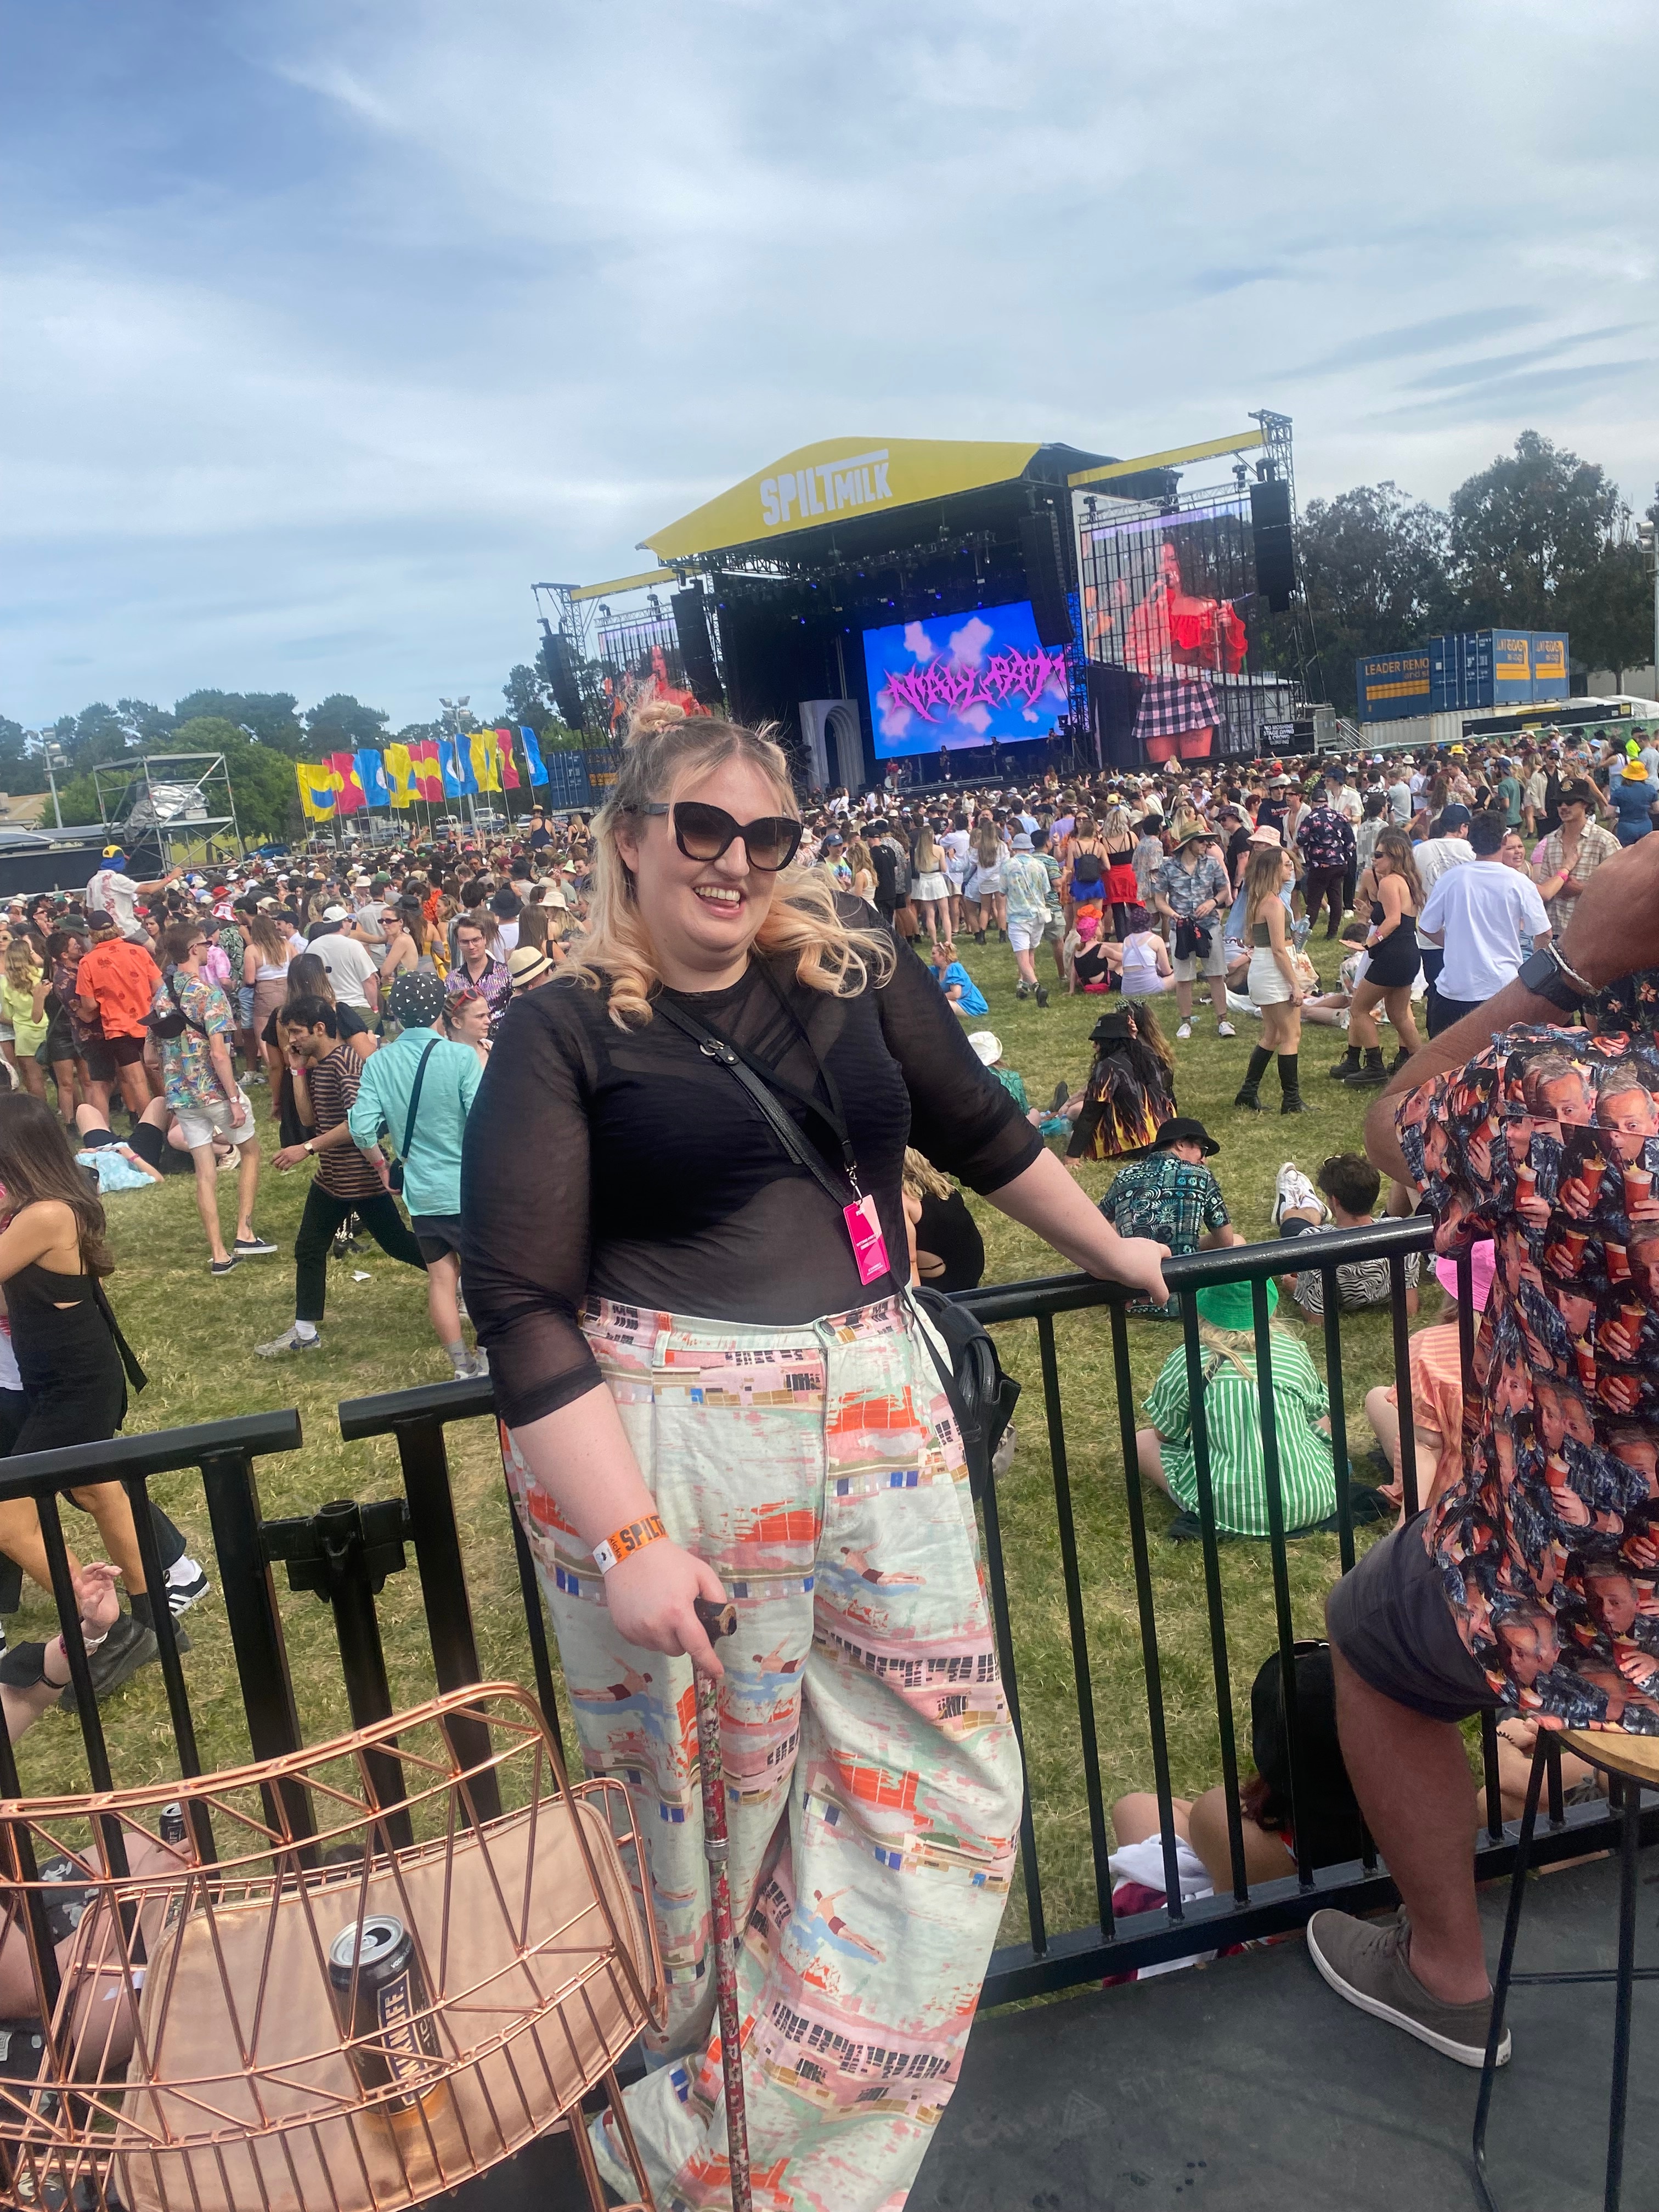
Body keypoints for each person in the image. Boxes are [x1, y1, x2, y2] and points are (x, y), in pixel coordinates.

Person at [460, 699, 1168, 2209]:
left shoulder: (847, 964)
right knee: (709, 1819)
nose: (732, 864)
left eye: (764, 835)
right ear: (632, 841)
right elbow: (520, 1302)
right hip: (675, 1433)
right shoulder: (566, 1023)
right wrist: (634, 1538)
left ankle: (682, 2155)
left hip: (883, 1406)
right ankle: (706, 2154)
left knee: (952, 1802)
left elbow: (977, 1124)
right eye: (700, 831)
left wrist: (1110, 1244)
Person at [1305, 835, 1659, 2069]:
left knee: (1368, 1637)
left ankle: (1445, 1973)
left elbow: (1392, 1119)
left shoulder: (1574, 1096)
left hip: (1592, 1585)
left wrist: (1567, 966)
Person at [0, 1095, 161, 1699]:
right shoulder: (51, 1206)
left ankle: (107, 1627)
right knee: (96, 1489)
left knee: (9, 1519)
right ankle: (151, 1621)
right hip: (73, 1379)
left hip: (73, 1386)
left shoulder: (43, 1215)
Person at [256, 997, 427, 1358]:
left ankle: (461, 1277)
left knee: (398, 1243)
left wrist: (308, 1148)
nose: (291, 1041)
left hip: (358, 1179)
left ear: (320, 1029)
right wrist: (297, 1070)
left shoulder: (345, 1065)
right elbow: (307, 1120)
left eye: (297, 1033)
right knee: (310, 1247)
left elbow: (357, 1125)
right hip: (333, 1179)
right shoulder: (322, 1065)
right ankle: (305, 1332)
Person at [346, 973, 484, 1380]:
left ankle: (462, 1366)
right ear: (439, 1010)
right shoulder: (462, 1058)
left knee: (442, 1278)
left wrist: (382, 1164)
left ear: (396, 1012)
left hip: (422, 1190)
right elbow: (484, 1119)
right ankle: (490, 1353)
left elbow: (361, 1128)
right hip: (470, 1188)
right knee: (483, 1276)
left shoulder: (380, 1061)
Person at [1135, 1278, 1338, 1536]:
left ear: (1202, 1309)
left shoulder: (1188, 1358)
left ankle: (1208, 1501)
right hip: (1315, 1501)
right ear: (1271, 1307)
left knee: (1142, 1441)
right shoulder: (1293, 1352)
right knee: (1318, 1419)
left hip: (1227, 1510)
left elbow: (1165, 1434)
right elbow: (1319, 1414)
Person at [151, 921, 274, 1276]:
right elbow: (220, 1055)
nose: (209, 948)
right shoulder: (209, 993)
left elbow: (152, 1051)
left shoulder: (162, 995)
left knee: (205, 1173)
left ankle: (219, 1254)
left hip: (181, 1094)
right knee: (250, 1151)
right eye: (205, 944)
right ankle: (245, 1232)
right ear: (193, 949)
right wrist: (234, 1097)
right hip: (214, 1090)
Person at [1363, 1241, 1493, 1521]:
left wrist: (1404, 1533)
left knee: (1377, 1397)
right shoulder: (1535, 1350)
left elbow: (1426, 1447)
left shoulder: (1427, 1346)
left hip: (1452, 1495)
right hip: (1514, 1491)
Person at [1418, 809, 1550, 1037]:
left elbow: (1427, 927)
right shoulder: (1519, 882)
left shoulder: (1451, 879)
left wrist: (1453, 944)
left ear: (1471, 843)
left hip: (1455, 990)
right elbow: (1544, 934)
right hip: (1503, 988)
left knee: (1449, 1066)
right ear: (1503, 841)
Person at [1096, 1113, 1239, 1316]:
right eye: (1202, 1151)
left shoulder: (1124, 1176)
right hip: (1184, 1299)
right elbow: (1225, 1241)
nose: (1205, 1161)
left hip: (1131, 1295)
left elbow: (1096, 1225)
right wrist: (1189, 1242)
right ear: (1181, 1144)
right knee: (1238, 1241)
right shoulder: (1201, 1176)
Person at [1272, 1151, 1421, 1320]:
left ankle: (1304, 1203)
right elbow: (1410, 1309)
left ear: (1334, 1201)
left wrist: (1298, 1288)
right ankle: (1309, 1202)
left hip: (1305, 1234)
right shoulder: (1401, 1232)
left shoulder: (1312, 1242)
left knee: (1291, 1219)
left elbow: (1316, 1319)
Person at [1332, 828, 1423, 1086]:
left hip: (1392, 955)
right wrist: (1372, 913)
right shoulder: (1407, 881)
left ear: (1394, 856)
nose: (1374, 860)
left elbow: (1393, 921)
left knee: (1359, 1009)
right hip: (1408, 953)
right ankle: (1422, 1065)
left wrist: (1369, 943)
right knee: (1399, 1014)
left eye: (1379, 854)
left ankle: (1374, 1066)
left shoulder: (1389, 882)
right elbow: (1399, 918)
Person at [1235, 838, 1307, 1114]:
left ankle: (1248, 1091)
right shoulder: (1274, 904)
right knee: (1291, 1035)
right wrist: (1295, 984)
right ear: (1274, 870)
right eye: (1286, 865)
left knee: (1272, 1034)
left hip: (1263, 968)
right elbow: (1279, 949)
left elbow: (1257, 940)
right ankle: (1291, 1100)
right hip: (1274, 969)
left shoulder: (1258, 900)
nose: (1291, 868)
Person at [74, 913, 160, 1122]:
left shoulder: (87, 963)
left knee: (136, 1081)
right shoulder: (139, 951)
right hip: (150, 1022)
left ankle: (151, 1127)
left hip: (118, 1028)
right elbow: (159, 987)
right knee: (159, 1073)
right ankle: (173, 1120)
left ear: (92, 934)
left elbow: (89, 1005)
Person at [1155, 827, 1235, 1042]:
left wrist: (1213, 902)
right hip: (1181, 928)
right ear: (1188, 842)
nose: (1206, 845)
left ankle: (1223, 1020)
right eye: (1201, 841)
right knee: (1183, 977)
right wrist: (1173, 914)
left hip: (1209, 926)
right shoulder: (1168, 867)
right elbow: (1160, 899)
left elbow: (1224, 890)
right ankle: (1186, 1022)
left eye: (1207, 842)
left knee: (1217, 974)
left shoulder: (1212, 864)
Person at [1531, 777, 1620, 939]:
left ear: (1585, 804)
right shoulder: (1550, 840)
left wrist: (1582, 889)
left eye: (1570, 802)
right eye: (1560, 803)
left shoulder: (1605, 840)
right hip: (1555, 930)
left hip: (1590, 932)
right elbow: (1543, 887)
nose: (1564, 807)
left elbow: (1619, 889)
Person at [1295, 786, 1357, 939]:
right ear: (1327, 802)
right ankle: (1332, 932)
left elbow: (1300, 839)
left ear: (1312, 802)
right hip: (1338, 864)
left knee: (1314, 901)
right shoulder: (1340, 816)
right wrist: (1345, 856)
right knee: (1336, 897)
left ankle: (1304, 933)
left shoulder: (1311, 818)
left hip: (1319, 865)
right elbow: (1351, 841)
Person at [1003, 833, 1053, 1006]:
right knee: (1031, 952)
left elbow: (1002, 890)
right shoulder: (1039, 865)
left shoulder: (1008, 866)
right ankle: (1025, 985)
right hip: (1038, 914)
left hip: (1018, 916)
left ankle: (1037, 986)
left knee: (1022, 957)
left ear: (1014, 847)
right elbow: (1046, 889)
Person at [84, 848, 177, 939]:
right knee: (157, 950)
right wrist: (171, 877)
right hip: (127, 930)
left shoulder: (92, 881)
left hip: (105, 934)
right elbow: (149, 890)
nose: (125, 864)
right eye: (124, 861)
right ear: (119, 861)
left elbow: (91, 911)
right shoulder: (117, 878)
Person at [445, 916, 510, 1024]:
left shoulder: (506, 974)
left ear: (484, 939)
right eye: (465, 942)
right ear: (458, 943)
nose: (471, 947)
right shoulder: (451, 980)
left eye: (475, 940)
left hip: (500, 1039)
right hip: (463, 1040)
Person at [929, 936, 988, 1017]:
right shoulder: (938, 969)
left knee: (940, 1003)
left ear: (943, 955)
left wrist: (936, 997)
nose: (931, 957)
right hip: (958, 1002)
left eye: (934, 954)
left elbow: (956, 995)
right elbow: (921, 972)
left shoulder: (954, 968)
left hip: (970, 1005)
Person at [1609, 755, 1657, 845]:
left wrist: (1617, 815)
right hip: (1645, 825)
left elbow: (1608, 813)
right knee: (1645, 853)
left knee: (1627, 854)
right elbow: (1657, 809)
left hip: (1626, 827)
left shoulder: (1620, 791)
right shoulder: (1650, 789)